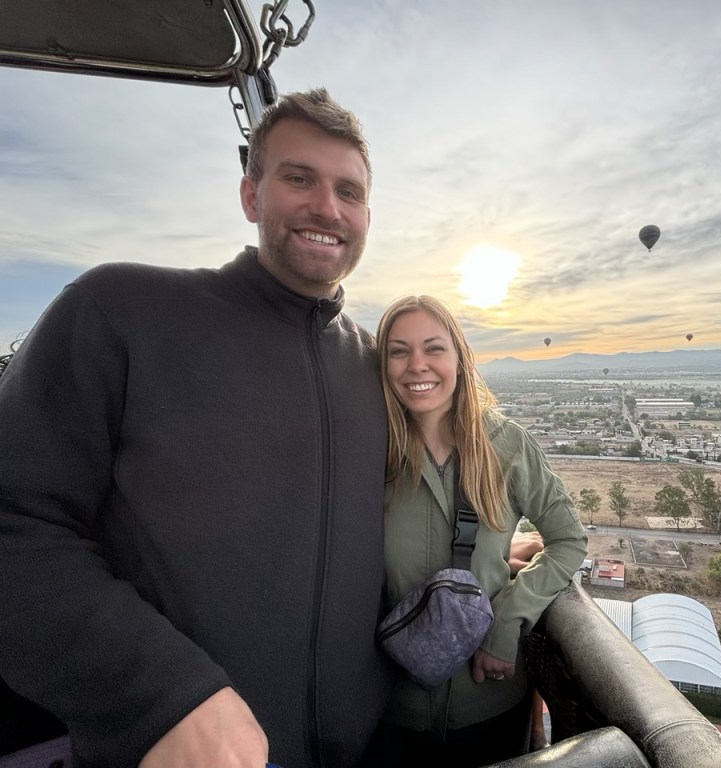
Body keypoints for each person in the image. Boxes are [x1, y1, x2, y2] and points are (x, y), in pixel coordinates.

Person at [0, 88, 393, 768]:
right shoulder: (122, 312)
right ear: (251, 196)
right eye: (299, 178)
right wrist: (161, 694)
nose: (327, 208)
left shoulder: (378, 367)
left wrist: (482, 553)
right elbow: (16, 527)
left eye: (349, 191)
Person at [360, 295, 587, 768]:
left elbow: (568, 539)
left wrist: (508, 619)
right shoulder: (368, 448)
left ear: (461, 358)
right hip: (389, 709)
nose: (417, 364)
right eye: (399, 351)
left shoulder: (506, 444)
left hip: (490, 702)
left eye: (434, 348)